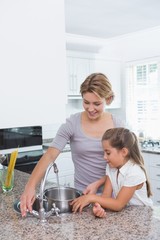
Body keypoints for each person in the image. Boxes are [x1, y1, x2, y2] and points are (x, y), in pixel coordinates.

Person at [20, 73, 124, 217]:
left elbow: (126, 166)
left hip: (113, 199)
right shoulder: (72, 124)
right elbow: (50, 154)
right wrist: (30, 186)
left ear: (108, 99)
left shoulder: (118, 125)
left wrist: (99, 184)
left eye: (97, 103)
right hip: (81, 199)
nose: (90, 108)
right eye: (86, 102)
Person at [71, 128, 153, 217]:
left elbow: (118, 204)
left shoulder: (134, 172)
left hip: (142, 216)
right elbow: (106, 197)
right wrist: (99, 208)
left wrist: (90, 198)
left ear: (124, 152)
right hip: (127, 216)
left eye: (108, 153)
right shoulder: (111, 167)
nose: (104, 157)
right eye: (104, 152)